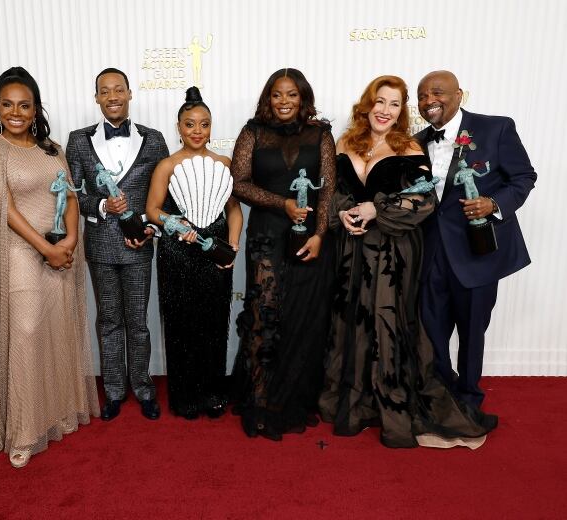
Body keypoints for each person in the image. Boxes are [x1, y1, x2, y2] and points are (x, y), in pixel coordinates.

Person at [319, 75, 498, 448]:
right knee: (352, 320)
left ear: (402, 112)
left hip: (392, 251)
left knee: (385, 320)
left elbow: (423, 202)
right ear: (367, 105)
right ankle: (357, 401)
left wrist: (375, 209)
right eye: (379, 102)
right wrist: (346, 213)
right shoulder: (345, 143)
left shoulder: (409, 148)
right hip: (351, 250)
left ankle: (391, 402)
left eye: (395, 104)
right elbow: (332, 193)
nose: (385, 110)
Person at [0, 67, 99, 468]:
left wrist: (71, 242)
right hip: (20, 252)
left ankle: (56, 413)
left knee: (55, 330)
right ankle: (23, 431)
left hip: (61, 251)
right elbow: (3, 207)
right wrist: (45, 247)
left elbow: (72, 196)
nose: (16, 112)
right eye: (7, 105)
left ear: (36, 108)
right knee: (25, 334)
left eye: (24, 105)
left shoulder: (51, 147)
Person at [415, 70, 536, 409]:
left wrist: (494, 203)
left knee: (472, 332)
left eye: (436, 92)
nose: (428, 101)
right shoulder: (416, 141)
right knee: (431, 330)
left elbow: (524, 176)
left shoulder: (496, 128)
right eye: (422, 95)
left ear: (459, 95)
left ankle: (468, 398)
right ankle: (440, 394)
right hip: (432, 250)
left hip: (478, 249)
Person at [229, 68, 336, 440]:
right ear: (268, 98)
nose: (285, 101)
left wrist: (321, 233)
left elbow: (326, 191)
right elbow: (240, 185)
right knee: (263, 315)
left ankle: (293, 398)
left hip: (309, 237)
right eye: (277, 95)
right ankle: (259, 400)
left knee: (302, 318)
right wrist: (283, 204)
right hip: (267, 235)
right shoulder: (252, 132)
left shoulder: (321, 134)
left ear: (303, 97)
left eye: (292, 94)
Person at [66, 68, 169, 421]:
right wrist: (101, 206)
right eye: (104, 91)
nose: (112, 96)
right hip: (100, 245)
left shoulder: (154, 140)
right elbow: (72, 196)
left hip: (139, 244)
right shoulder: (78, 140)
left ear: (129, 94)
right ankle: (113, 391)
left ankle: (142, 387)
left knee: (137, 322)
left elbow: (165, 194)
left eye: (118, 89)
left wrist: (154, 227)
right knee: (109, 319)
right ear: (96, 97)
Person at [145, 87, 243, 419]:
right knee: (181, 324)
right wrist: (175, 222)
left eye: (203, 124)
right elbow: (153, 210)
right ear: (179, 127)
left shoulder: (225, 163)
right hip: (177, 251)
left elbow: (235, 212)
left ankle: (213, 393)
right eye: (190, 124)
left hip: (215, 249)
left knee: (214, 322)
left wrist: (232, 247)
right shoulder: (167, 165)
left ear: (211, 127)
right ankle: (185, 397)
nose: (197, 131)